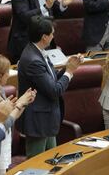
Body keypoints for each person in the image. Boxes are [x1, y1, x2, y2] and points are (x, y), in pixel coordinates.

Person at [16, 15, 83, 158]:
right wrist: (70, 72)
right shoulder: (33, 59)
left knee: (52, 162)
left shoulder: (37, 52)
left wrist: (67, 67)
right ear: (44, 37)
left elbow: (50, 80)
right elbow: (54, 90)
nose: (53, 36)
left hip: (46, 120)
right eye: (52, 34)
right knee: (37, 166)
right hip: (38, 122)